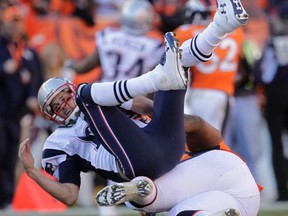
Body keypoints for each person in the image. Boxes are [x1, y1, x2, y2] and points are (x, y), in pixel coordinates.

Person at [18, 0, 248, 206]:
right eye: (55, 105)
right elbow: (69, 195)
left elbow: (148, 109)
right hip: (133, 161)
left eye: (64, 96)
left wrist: (170, 112)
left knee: (174, 58)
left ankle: (221, 25)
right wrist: (31, 170)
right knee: (87, 95)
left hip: (164, 144)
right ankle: (157, 78)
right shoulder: (58, 141)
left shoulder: (107, 48)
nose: (64, 104)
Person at [96, 115, 261, 216]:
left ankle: (142, 192)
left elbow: (199, 127)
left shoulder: (143, 156)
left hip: (210, 170)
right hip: (245, 194)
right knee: (184, 210)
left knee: (145, 200)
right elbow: (199, 125)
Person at [174, 0, 246, 133]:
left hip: (198, 91)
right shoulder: (238, 33)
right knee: (214, 138)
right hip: (224, 91)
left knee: (196, 138)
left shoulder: (184, 32)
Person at [0, 4, 43, 209]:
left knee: (10, 156)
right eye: (11, 23)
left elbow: (36, 77)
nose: (15, 27)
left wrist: (33, 96)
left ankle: (7, 199)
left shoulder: (28, 51)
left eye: (18, 23)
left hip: (17, 114)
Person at [66, 0, 164, 83]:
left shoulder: (108, 36)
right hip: (134, 100)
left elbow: (85, 66)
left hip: (105, 94)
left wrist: (68, 64)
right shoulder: (154, 46)